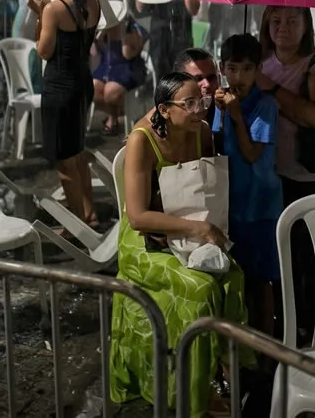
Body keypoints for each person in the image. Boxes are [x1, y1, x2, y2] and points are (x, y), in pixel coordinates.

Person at [110, 73, 253, 416]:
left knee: (233, 276)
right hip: (145, 242)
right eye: (188, 104)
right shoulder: (142, 140)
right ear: (164, 108)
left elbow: (203, 186)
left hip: (188, 230)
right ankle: (193, 394)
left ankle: (225, 369)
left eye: (200, 102)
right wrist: (199, 228)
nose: (198, 110)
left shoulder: (202, 131)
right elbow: (139, 218)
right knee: (201, 289)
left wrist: (202, 228)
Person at [254, 6, 315, 344]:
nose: (283, 28)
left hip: (305, 174)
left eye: (291, 20)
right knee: (273, 249)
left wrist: (270, 89)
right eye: (276, 21)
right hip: (266, 171)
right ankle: (279, 318)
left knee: (303, 251)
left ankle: (309, 324)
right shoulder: (260, 61)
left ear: (306, 25)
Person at [213, 33, 281, 336]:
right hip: (232, 202)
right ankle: (240, 344)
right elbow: (215, 145)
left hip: (260, 203)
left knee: (260, 280)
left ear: (257, 69)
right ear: (222, 67)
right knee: (234, 275)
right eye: (232, 68)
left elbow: (253, 153)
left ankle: (266, 345)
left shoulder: (266, 106)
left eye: (247, 69)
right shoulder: (220, 102)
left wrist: (237, 115)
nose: (239, 77)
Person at [27, 0, 100, 226]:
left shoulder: (55, 8)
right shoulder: (93, 2)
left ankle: (77, 225)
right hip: (83, 83)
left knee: (65, 161)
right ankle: (89, 213)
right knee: (78, 152)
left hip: (60, 87)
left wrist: (40, 15)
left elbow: (44, 51)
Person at [92, 12, 147, 135]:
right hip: (107, 67)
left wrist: (123, 34)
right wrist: (102, 33)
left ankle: (113, 118)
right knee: (91, 88)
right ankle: (116, 114)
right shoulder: (105, 26)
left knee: (110, 92)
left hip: (128, 67)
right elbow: (99, 50)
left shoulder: (133, 29)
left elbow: (127, 54)